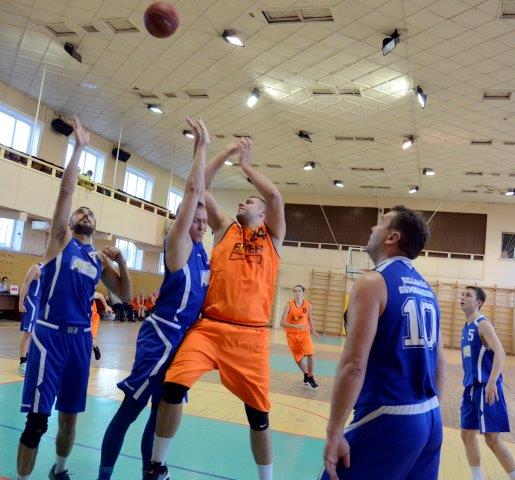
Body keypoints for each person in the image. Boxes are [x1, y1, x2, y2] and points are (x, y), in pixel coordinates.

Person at [145, 138, 286, 480]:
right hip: (210, 328)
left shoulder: (273, 237)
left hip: (251, 338)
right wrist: (224, 153)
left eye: (248, 201)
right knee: (173, 388)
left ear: (262, 214)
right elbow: (201, 185)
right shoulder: (224, 228)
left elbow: (274, 196)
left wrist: (246, 165)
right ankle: (157, 466)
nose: (241, 202)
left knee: (258, 417)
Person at [16, 116, 132, 480]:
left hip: (80, 342)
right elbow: (66, 192)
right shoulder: (60, 242)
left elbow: (125, 295)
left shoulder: (97, 259)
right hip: (49, 338)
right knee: (37, 423)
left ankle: (60, 470)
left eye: (89, 213)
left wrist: (121, 262)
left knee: (69, 420)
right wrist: (79, 148)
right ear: (70, 223)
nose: (84, 213)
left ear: (95, 227)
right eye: (80, 212)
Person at [98, 118, 211, 480]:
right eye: (196, 220)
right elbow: (193, 190)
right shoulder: (178, 244)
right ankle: (104, 474)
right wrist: (202, 146)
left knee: (160, 414)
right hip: (161, 337)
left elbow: (201, 189)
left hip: (184, 341)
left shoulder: (202, 252)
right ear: (182, 221)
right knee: (130, 411)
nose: (202, 225)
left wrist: (209, 153)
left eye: (204, 221)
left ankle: (151, 472)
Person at [321, 205, 446, 480]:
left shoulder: (373, 282)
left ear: (392, 237)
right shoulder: (427, 289)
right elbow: (440, 362)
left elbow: (354, 365)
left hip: (389, 416)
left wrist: (334, 432)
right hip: (431, 418)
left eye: (380, 223)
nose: (372, 228)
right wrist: (427, 418)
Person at [459, 286, 515, 480]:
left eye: (468, 295)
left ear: (478, 303)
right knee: (466, 434)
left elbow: (500, 353)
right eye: (462, 294)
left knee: (492, 439)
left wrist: (492, 382)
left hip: (486, 388)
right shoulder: (465, 328)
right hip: (470, 389)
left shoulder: (482, 324)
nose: (463, 297)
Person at [280, 284, 320, 388]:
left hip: (305, 333)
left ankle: (311, 377)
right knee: (298, 359)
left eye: (299, 291)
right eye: (295, 291)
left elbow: (309, 318)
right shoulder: (288, 306)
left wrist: (313, 330)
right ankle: (305, 373)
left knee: (310, 354)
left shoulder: (308, 305)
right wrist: (296, 326)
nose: (297, 293)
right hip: (292, 335)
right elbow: (282, 323)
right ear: (293, 293)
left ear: (303, 293)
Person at [17, 264, 42, 376]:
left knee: (38, 335)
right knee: (28, 333)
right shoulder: (36, 268)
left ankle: (31, 361)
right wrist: (20, 303)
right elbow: (25, 284)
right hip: (33, 303)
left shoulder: (53, 269)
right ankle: (23, 363)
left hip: (42, 304)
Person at [91, 292, 112, 361]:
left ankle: (96, 349)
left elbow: (100, 295)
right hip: (83, 319)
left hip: (93, 318)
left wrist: (106, 306)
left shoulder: (89, 291)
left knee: (90, 338)